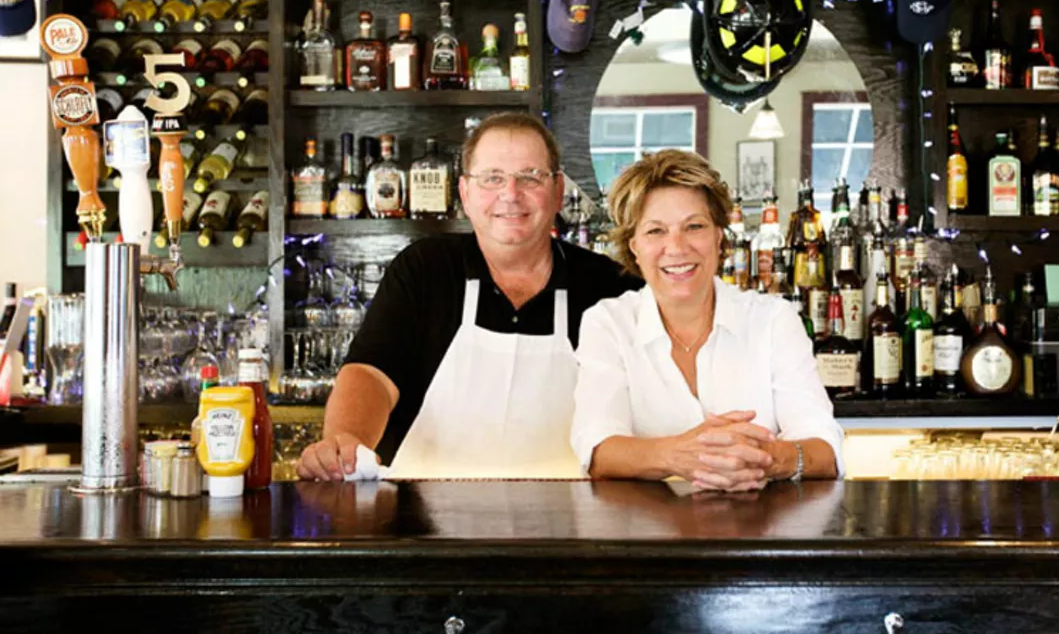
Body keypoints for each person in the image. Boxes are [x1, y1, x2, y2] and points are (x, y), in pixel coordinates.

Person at [297, 113, 642, 481]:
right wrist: (346, 441)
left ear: (558, 191)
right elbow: (371, 375)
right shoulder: (425, 269)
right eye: (492, 178)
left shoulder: (609, 286)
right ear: (464, 193)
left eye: (530, 177)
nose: (510, 193)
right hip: (421, 525)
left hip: (568, 527)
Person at [570, 150, 844, 493]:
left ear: (719, 236)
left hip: (761, 536)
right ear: (634, 247)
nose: (677, 247)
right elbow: (598, 451)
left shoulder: (774, 319)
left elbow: (825, 450)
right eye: (655, 231)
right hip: (645, 537)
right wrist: (678, 455)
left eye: (694, 226)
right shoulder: (608, 323)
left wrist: (769, 459)